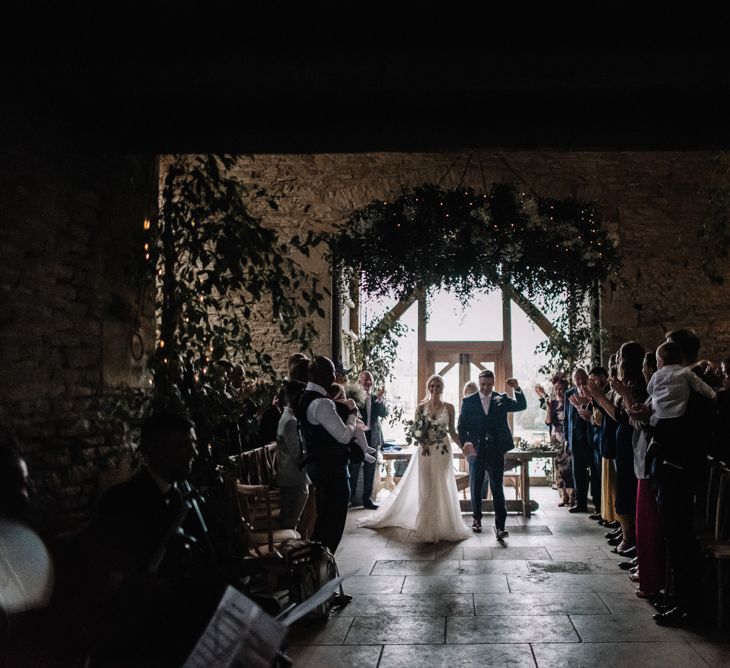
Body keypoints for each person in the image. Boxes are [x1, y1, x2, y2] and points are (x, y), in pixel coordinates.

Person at [359, 374, 471, 542]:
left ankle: (443, 524)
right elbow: (416, 432)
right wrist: (423, 441)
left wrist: (464, 447)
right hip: (425, 451)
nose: (434, 389)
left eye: (438, 386)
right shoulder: (421, 407)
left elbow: (452, 431)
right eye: (432, 386)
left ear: (443, 388)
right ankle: (427, 525)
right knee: (427, 486)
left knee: (442, 485)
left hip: (442, 451)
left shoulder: (449, 407)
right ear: (428, 387)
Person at [296, 356, 358, 554]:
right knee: (330, 527)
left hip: (318, 468)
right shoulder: (322, 403)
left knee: (324, 522)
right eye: (332, 371)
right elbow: (344, 436)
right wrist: (352, 414)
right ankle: (319, 570)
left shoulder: (303, 398)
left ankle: (318, 568)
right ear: (323, 375)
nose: (334, 375)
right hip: (332, 471)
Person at [458, 369, 527, 538]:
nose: (486, 388)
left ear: (494, 383)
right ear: (479, 382)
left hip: (496, 451)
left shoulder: (501, 399)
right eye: (483, 385)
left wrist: (517, 388)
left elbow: (521, 406)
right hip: (476, 452)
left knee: (497, 488)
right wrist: (467, 443)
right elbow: (461, 427)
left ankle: (501, 527)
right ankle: (477, 520)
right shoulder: (469, 401)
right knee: (475, 487)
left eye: (489, 384)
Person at [349, 370, 387, 510]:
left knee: (370, 469)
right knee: (354, 467)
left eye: (370, 380)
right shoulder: (355, 397)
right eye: (366, 380)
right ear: (360, 382)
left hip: (373, 435)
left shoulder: (375, 397)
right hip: (359, 436)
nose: (369, 382)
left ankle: (367, 499)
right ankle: (349, 498)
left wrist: (379, 398)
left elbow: (383, 413)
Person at [275, 381, 310, 531]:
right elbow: (298, 455)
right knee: (289, 524)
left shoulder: (289, 417)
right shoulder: (290, 421)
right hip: (293, 480)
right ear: (295, 397)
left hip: (293, 479)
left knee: (292, 522)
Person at [564, 368, 596, 514]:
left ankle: (598, 504)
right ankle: (580, 503)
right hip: (575, 440)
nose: (582, 382)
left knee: (595, 473)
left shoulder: (593, 392)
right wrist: (566, 439)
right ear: (573, 380)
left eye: (584, 378)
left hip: (591, 439)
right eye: (579, 379)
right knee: (578, 473)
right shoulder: (569, 393)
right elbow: (566, 418)